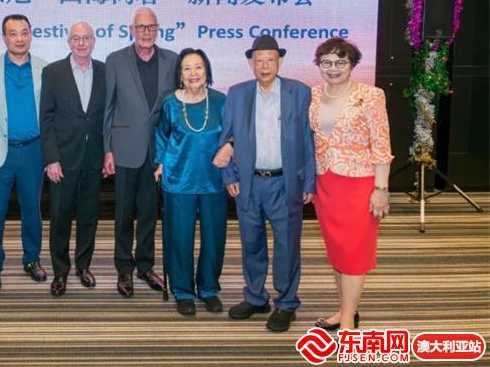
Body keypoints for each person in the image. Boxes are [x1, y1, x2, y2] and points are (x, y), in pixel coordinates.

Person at [214, 35, 315, 332]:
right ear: (251, 63)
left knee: (287, 245)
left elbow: (309, 140)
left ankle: (287, 303)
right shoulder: (237, 93)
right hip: (249, 183)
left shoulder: (299, 92)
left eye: (270, 59)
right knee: (251, 243)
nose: (265, 65)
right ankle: (256, 297)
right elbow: (226, 138)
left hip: (286, 182)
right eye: (259, 60)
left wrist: (310, 181)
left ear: (279, 61)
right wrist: (229, 175)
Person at [309, 37, 392, 331]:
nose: (333, 69)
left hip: (359, 184)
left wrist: (380, 189)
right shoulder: (314, 95)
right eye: (326, 63)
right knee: (337, 251)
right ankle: (345, 309)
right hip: (326, 182)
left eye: (340, 62)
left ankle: (347, 322)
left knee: (355, 252)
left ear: (352, 64)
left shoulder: (370, 96)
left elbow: (381, 144)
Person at [104, 6, 177, 297]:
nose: (146, 32)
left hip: (157, 151)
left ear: (157, 29)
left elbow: (174, 108)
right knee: (123, 213)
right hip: (124, 149)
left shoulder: (172, 60)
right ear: (131, 30)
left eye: (151, 27)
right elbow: (108, 108)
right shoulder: (115, 60)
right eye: (141, 27)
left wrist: (171, 150)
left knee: (149, 212)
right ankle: (124, 268)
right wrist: (107, 149)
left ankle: (145, 266)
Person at [154, 48, 227, 316]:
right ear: (180, 74)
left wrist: (230, 145)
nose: (193, 73)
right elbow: (161, 136)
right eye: (187, 68)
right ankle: (182, 290)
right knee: (179, 237)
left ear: (207, 70)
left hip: (213, 181)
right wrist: (160, 163)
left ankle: (208, 288)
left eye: (198, 67)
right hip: (178, 180)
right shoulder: (170, 104)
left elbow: (232, 134)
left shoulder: (220, 101)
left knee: (213, 237)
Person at [40, 22, 105, 296]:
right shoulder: (52, 72)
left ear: (93, 41)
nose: (81, 43)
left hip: (94, 158)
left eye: (86, 38)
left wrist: (108, 152)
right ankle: (60, 271)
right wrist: (51, 159)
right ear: (69, 42)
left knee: (89, 216)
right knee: (60, 217)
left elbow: (108, 116)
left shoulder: (105, 71)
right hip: (63, 160)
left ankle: (83, 266)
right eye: (76, 39)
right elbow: (46, 119)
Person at [0, 14, 49, 289]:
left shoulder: (45, 69)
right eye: (13, 33)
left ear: (31, 34)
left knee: (32, 209)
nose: (19, 39)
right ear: (4, 37)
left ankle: (32, 258)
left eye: (24, 32)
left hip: (33, 150)